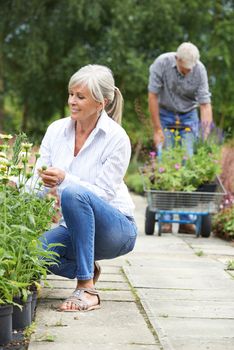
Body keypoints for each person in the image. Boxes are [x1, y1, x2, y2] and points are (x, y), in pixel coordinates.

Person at [36, 64, 137, 312]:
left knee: (72, 192)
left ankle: (86, 288)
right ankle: (88, 268)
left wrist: (64, 179)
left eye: (80, 96)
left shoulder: (116, 138)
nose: (72, 101)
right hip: (74, 228)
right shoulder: (56, 130)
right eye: (71, 94)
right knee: (33, 253)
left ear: (101, 103)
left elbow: (102, 194)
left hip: (116, 229)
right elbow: (35, 179)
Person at [148, 42, 213, 234]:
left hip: (188, 114)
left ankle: (185, 220)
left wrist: (205, 136)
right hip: (165, 113)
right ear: (177, 60)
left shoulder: (199, 70)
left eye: (189, 70)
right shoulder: (161, 63)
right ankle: (166, 219)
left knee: (188, 161)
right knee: (167, 162)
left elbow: (205, 105)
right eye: (184, 70)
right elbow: (152, 96)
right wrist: (157, 129)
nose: (187, 73)